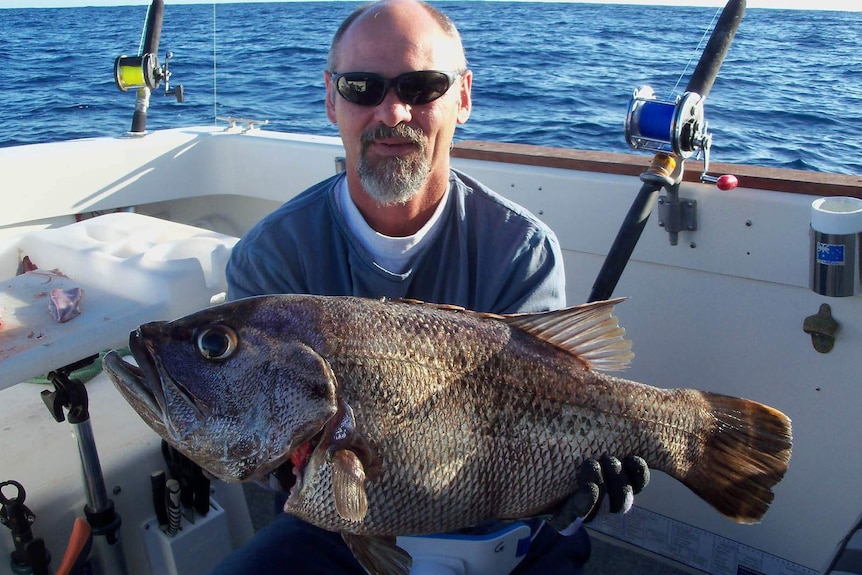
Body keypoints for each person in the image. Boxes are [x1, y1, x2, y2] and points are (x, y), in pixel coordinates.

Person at [215, 1, 647, 573]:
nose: (393, 111)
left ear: (463, 97)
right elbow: (260, 448)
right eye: (362, 86)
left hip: (503, 525)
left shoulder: (521, 250)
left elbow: (543, 413)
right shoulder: (271, 258)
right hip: (333, 527)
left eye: (422, 87)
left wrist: (567, 480)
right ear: (330, 99)